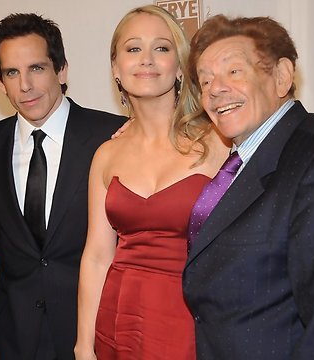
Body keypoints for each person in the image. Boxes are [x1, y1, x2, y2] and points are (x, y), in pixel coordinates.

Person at [183, 15, 314, 359]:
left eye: (233, 72)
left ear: (281, 77)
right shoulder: (246, 161)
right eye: (205, 81)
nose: (215, 89)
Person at [0, 13, 126, 360]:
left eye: (37, 68)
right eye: (12, 72)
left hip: (94, 332)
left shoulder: (112, 136)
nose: (25, 85)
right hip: (15, 336)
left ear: (62, 70)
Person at [75, 5, 229, 359]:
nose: (147, 59)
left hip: (191, 322)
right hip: (117, 320)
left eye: (161, 48)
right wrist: (84, 344)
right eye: (133, 49)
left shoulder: (218, 143)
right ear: (115, 67)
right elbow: (97, 256)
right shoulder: (106, 155)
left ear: (179, 66)